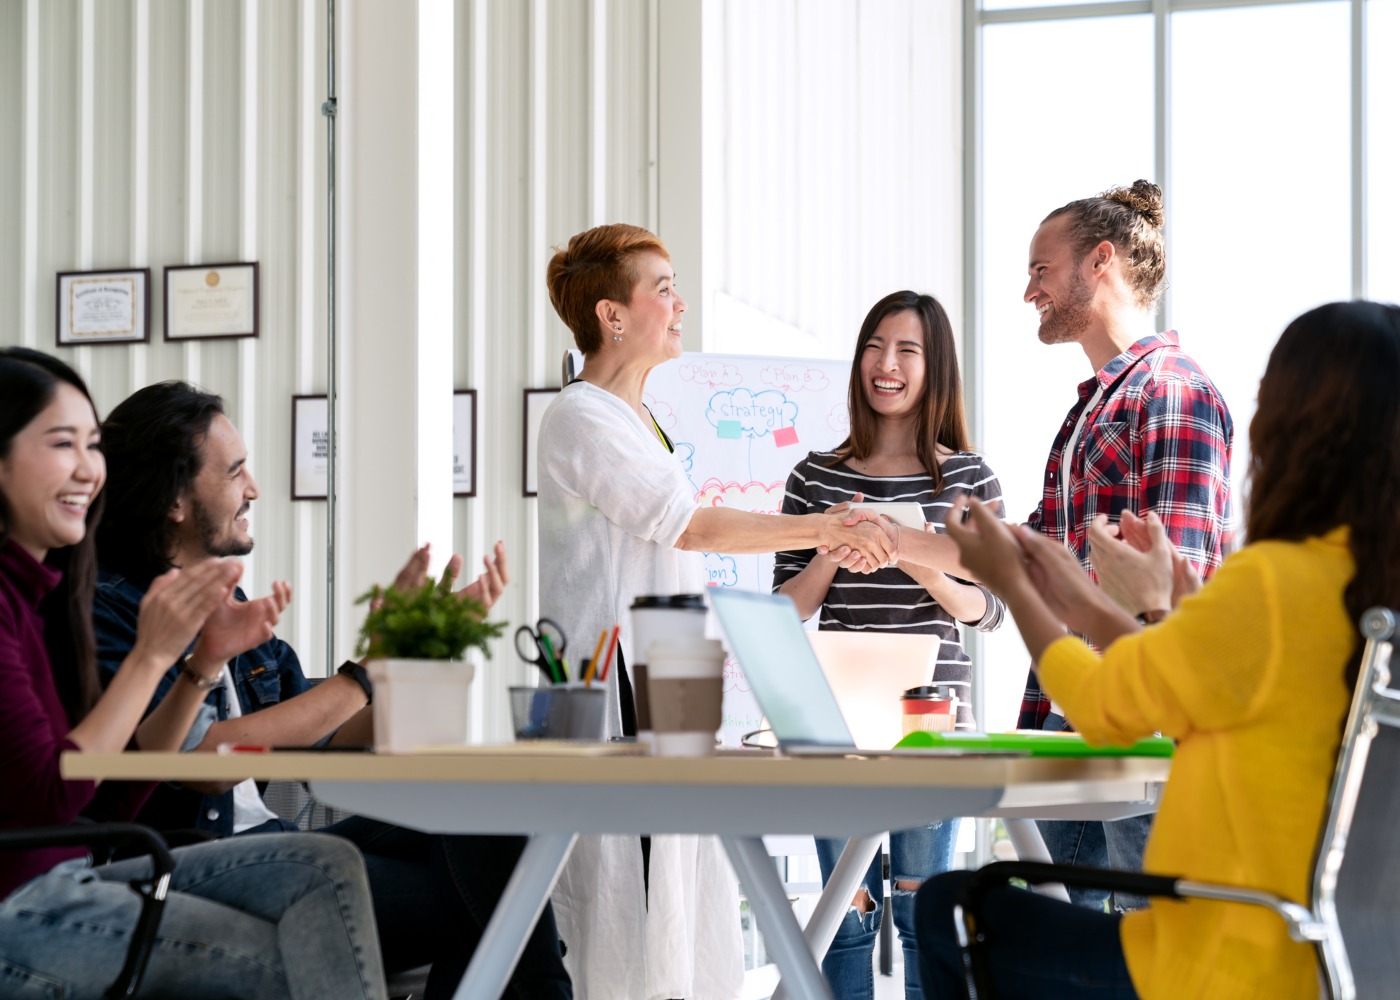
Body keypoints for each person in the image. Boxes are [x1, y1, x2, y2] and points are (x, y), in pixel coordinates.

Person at [915, 300, 1400, 999]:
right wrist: (1123, 607)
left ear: (1302, 426)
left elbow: (1105, 706)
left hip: (1213, 966)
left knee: (948, 907)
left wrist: (1011, 584)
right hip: (1334, 967)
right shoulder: (1359, 594)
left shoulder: (1272, 583)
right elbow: (1203, 688)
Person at [90, 381, 569, 1000]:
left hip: (274, 846)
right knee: (497, 899)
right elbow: (203, 759)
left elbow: (331, 739)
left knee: (491, 815)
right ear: (175, 500)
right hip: (187, 862)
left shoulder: (230, 600)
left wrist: (416, 644)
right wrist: (367, 671)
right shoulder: (109, 611)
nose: (254, 489)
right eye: (235, 473)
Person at [538, 223, 895, 998]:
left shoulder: (641, 421)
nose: (680, 304)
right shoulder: (583, 415)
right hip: (620, 698)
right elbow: (689, 524)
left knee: (681, 901)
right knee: (631, 905)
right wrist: (822, 527)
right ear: (613, 315)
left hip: (669, 690)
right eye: (662, 288)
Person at [0, 347, 387, 999]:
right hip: (29, 901)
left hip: (75, 875)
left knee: (339, 864)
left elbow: (114, 794)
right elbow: (55, 795)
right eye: (63, 444)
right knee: (303, 937)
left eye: (92, 447)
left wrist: (200, 663)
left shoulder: (47, 596)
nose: (90, 471)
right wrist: (156, 654)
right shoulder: (62, 604)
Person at [772, 290, 1006, 999]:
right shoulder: (814, 477)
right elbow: (785, 610)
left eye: (908, 351)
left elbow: (988, 611)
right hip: (836, 719)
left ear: (935, 368)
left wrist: (909, 552)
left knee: (921, 908)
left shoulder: (968, 479)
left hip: (929, 721)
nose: (887, 364)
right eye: (876, 346)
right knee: (844, 912)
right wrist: (834, 546)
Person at [1015, 180, 1233, 909]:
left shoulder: (1173, 391)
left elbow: (1177, 587)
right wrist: (903, 542)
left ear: (1099, 260)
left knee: (1150, 957)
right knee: (1063, 958)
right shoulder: (1094, 409)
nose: (1029, 291)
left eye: (1041, 269)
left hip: (1142, 739)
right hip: (1074, 729)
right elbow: (1034, 559)